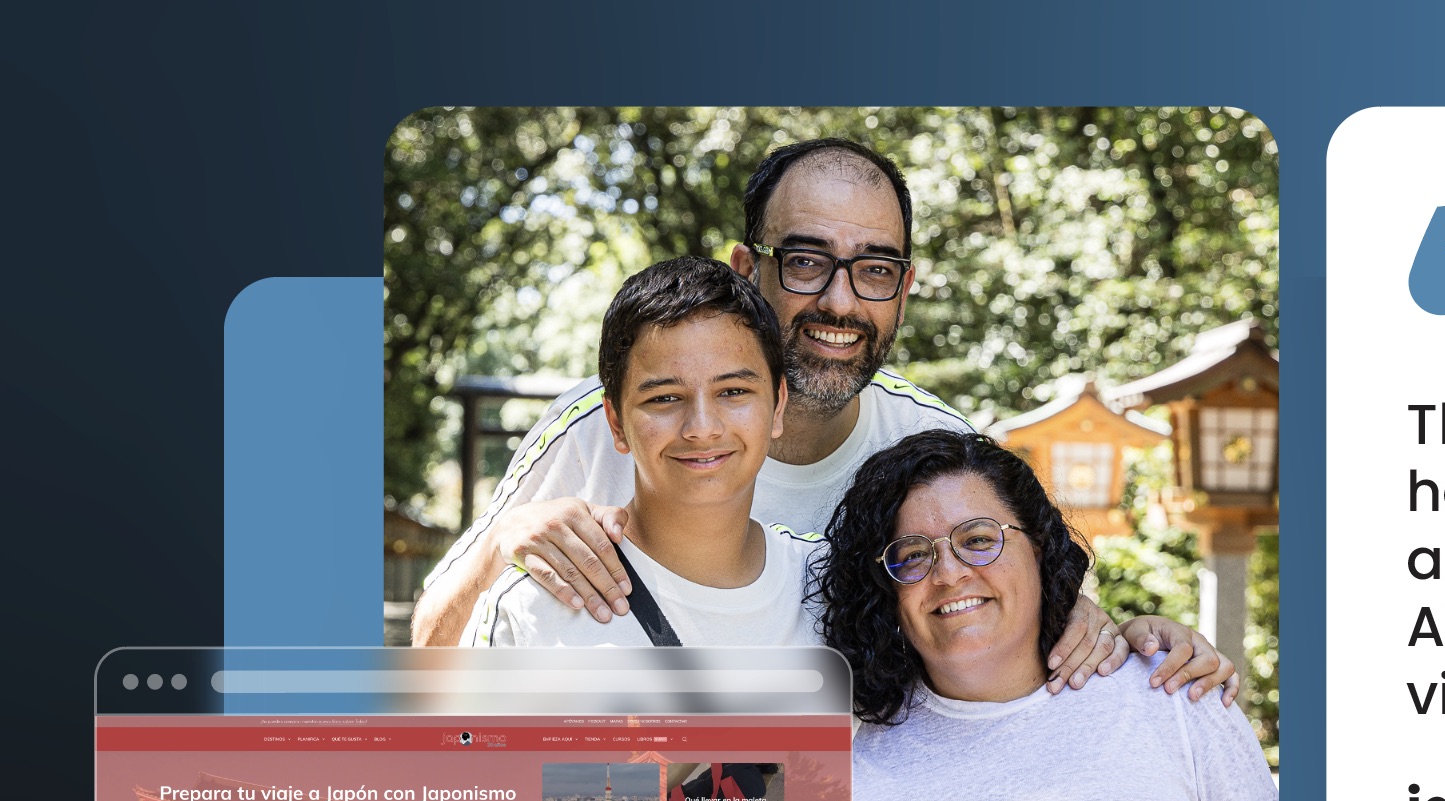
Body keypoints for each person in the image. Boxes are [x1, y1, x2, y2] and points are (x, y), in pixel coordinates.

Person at [412, 137, 1230, 695]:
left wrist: (1138, 640)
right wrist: (506, 542)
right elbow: (430, 659)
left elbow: (1049, 625)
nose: (839, 302)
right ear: (745, 267)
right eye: (806, 262)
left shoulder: (935, 453)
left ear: (905, 288)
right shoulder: (600, 421)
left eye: (874, 270)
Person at [821, 431, 1279, 801]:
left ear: (1038, 546)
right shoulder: (840, 750)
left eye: (978, 539)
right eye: (913, 555)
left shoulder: (1176, 696)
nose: (949, 573)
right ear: (886, 590)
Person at [462, 256, 818, 647]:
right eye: (665, 398)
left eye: (733, 392)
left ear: (778, 405)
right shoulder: (536, 606)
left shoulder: (828, 589)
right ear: (616, 422)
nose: (701, 427)